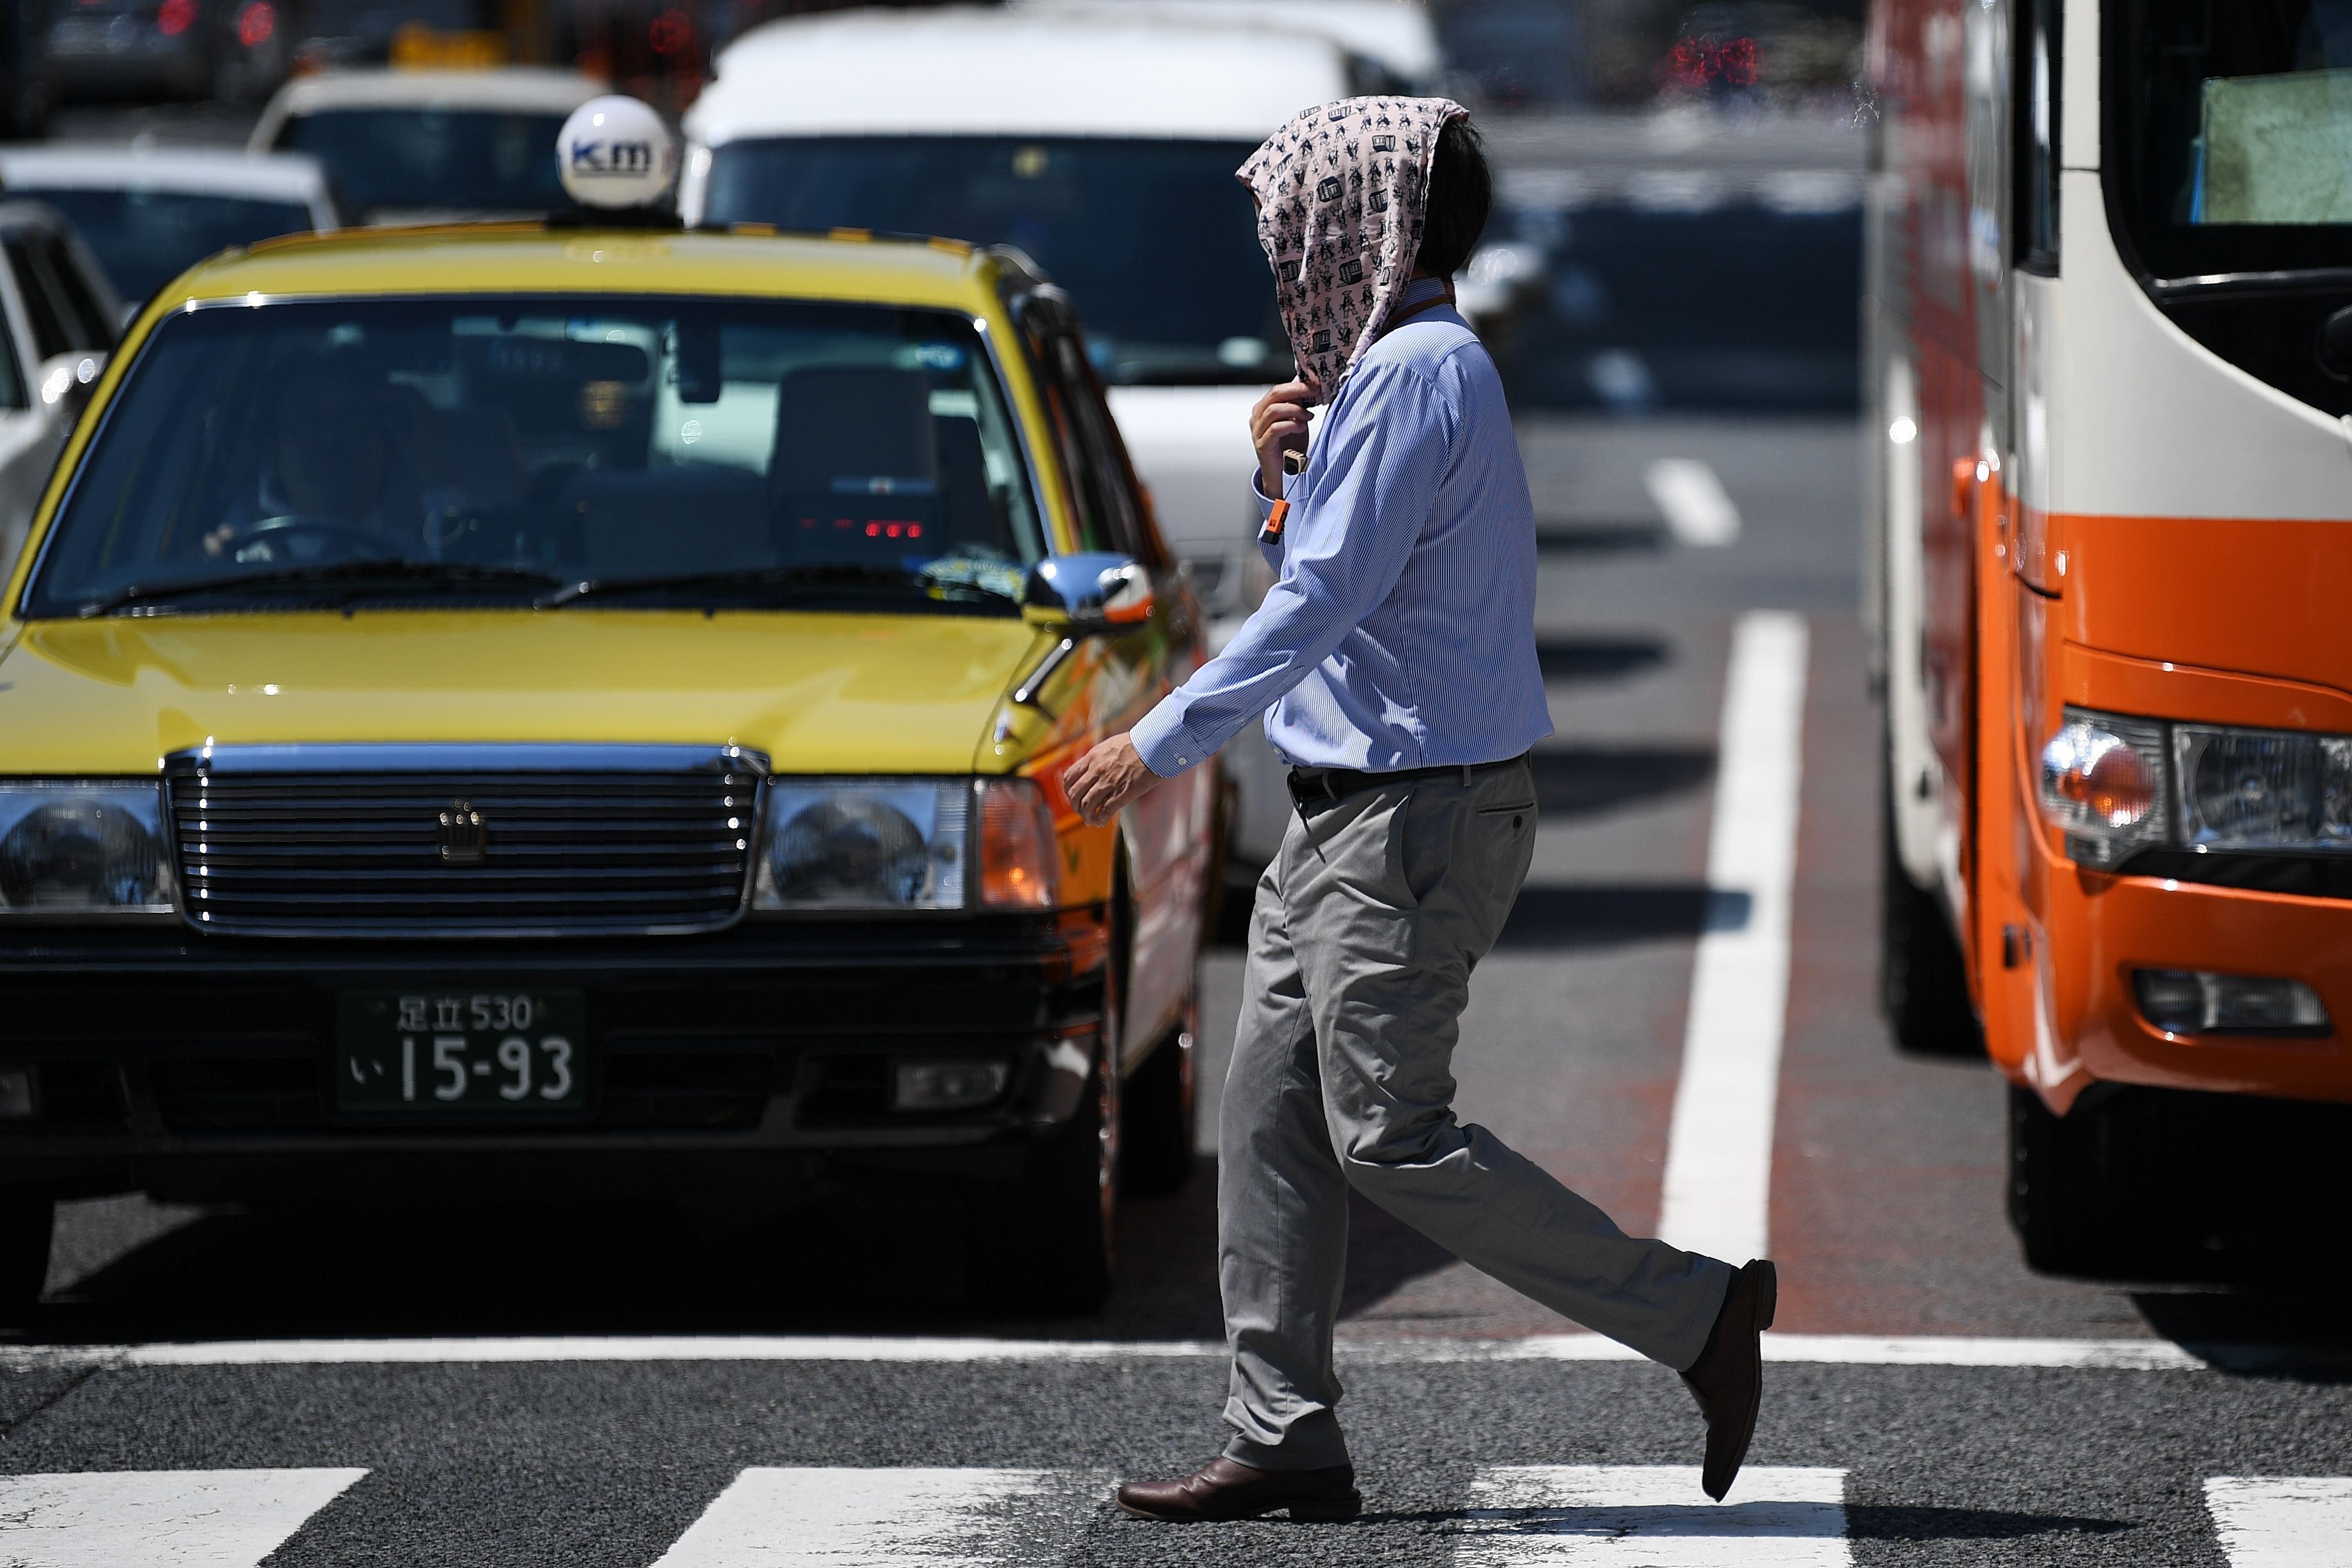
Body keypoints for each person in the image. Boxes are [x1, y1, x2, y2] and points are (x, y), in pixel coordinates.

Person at [1060, 97, 1777, 1523]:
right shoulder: (1390, 373)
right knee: (1269, 1125)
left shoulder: (1415, 374)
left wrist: (1157, 741)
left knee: (1391, 1135)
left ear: (1359, 227)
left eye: (1301, 225)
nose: (1287, 254)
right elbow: (1351, 581)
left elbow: (1322, 606)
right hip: (1349, 820)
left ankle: (1694, 1314)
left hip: (1413, 821)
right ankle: (1283, 1437)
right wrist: (1284, 482)